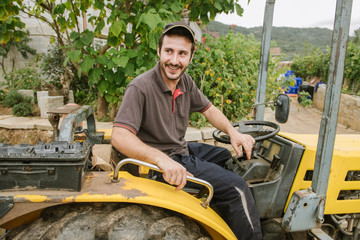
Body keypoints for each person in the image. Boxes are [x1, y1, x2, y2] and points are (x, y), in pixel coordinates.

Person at [111, 21, 262, 240]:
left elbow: (209, 110)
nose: (174, 60)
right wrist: (162, 160)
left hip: (179, 150)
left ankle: (222, 213)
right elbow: (119, 135)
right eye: (169, 51)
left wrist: (233, 132)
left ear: (191, 57)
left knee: (225, 156)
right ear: (159, 51)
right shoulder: (140, 87)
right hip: (159, 164)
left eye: (182, 53)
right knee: (237, 187)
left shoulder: (186, 83)